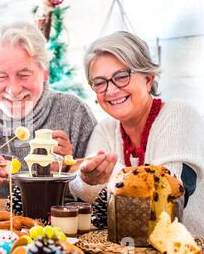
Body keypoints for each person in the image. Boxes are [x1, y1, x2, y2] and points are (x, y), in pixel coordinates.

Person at [0, 20, 97, 200]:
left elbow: (98, 194)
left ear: (44, 72)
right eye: (1, 76)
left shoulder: (74, 113)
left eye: (24, 75)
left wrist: (69, 169)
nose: (14, 89)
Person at [69, 31, 204, 235]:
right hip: (124, 252)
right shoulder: (105, 128)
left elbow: (166, 199)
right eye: (99, 82)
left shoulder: (179, 115)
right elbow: (83, 190)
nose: (111, 90)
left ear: (148, 78)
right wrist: (86, 177)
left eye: (122, 77)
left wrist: (105, 176)